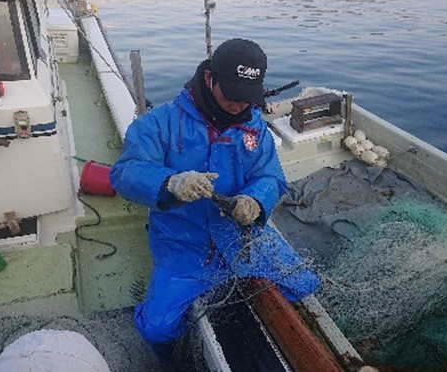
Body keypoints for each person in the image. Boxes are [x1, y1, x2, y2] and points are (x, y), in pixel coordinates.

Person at [109, 38, 319, 354]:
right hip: (184, 244)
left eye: (246, 98)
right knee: (157, 328)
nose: (238, 106)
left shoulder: (255, 129)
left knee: (304, 283)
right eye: (232, 95)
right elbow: (124, 173)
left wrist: (255, 200)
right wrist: (170, 184)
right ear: (210, 79)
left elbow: (270, 177)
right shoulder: (159, 123)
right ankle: (174, 360)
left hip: (243, 239)